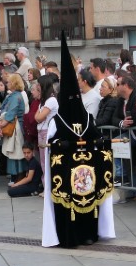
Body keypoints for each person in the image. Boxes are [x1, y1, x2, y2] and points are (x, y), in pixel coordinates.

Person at [41, 33, 115, 248]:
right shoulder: (62, 120)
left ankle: (86, 235)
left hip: (83, 176)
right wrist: (59, 146)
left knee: (87, 205)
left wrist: (103, 144)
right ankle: (75, 236)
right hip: (68, 177)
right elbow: (51, 147)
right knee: (72, 205)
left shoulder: (83, 118)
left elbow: (98, 139)